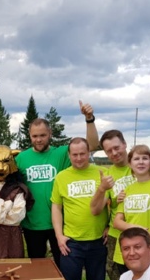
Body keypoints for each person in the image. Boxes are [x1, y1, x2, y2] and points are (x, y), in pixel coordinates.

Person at [16, 102, 98, 267]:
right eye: (35, 136)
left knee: (62, 267)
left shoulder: (61, 153)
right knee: (37, 268)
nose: (39, 139)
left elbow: (92, 145)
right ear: (29, 136)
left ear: (50, 134)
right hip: (32, 223)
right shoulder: (21, 158)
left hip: (60, 224)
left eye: (43, 135)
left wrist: (89, 119)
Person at [51, 137, 108, 280]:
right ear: (69, 155)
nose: (78, 158)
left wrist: (109, 225)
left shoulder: (102, 173)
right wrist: (59, 235)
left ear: (89, 152)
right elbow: (56, 207)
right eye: (74, 154)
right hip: (72, 242)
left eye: (82, 154)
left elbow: (113, 203)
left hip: (97, 240)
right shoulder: (62, 177)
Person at [90, 130, 135, 280]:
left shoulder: (142, 164)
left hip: (145, 231)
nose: (114, 153)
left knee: (146, 279)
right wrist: (102, 189)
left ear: (125, 144)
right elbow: (97, 209)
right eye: (109, 151)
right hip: (117, 235)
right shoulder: (107, 175)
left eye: (117, 148)